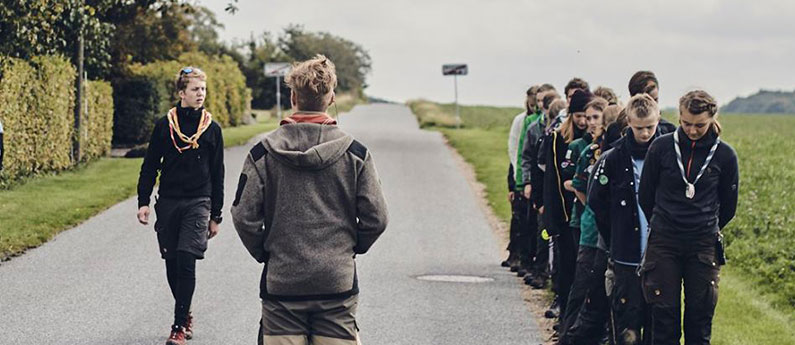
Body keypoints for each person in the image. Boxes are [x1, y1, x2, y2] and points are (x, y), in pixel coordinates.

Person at [231, 55, 389, 345]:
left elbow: (243, 216)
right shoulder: (356, 154)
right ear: (331, 98)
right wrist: (351, 247)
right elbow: (376, 218)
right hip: (336, 282)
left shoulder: (262, 154)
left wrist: (265, 251)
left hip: (283, 282)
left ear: (293, 97)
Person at [638, 90, 739, 345]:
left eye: (700, 125)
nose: (692, 130)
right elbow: (646, 196)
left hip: (703, 244)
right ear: (679, 117)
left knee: (700, 318)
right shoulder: (661, 148)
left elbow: (728, 206)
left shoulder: (725, 156)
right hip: (664, 242)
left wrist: (704, 224)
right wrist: (665, 222)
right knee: (663, 316)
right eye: (686, 124)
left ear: (712, 118)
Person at [136, 66, 225, 345]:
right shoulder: (165, 126)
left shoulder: (211, 129)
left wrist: (216, 215)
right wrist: (143, 202)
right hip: (169, 202)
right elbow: (150, 166)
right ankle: (185, 312)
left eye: (203, 90)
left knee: (187, 260)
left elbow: (218, 174)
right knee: (172, 263)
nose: (201, 95)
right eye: (195, 90)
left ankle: (177, 327)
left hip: (198, 202)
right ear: (181, 93)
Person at [590, 94, 664, 344]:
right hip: (626, 254)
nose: (645, 134)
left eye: (650, 128)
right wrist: (614, 235)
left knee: (659, 323)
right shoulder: (613, 158)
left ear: (659, 120)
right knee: (627, 325)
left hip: (660, 255)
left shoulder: (667, 155)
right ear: (628, 124)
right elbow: (596, 201)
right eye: (639, 128)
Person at [558, 101, 620, 345]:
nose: (592, 123)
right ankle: (567, 336)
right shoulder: (591, 151)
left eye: (597, 118)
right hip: (591, 230)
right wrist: (595, 209)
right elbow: (578, 186)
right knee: (584, 288)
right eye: (590, 118)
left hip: (611, 236)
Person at [543, 89, 591, 329]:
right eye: (579, 116)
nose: (583, 121)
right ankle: (562, 310)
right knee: (565, 266)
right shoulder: (556, 140)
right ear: (571, 115)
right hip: (563, 214)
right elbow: (551, 182)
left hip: (583, 216)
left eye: (587, 116)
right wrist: (550, 218)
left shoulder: (591, 142)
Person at [521, 91, 563, 288]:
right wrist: (529, 187)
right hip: (544, 195)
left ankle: (546, 270)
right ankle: (540, 268)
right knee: (543, 233)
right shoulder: (536, 132)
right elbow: (534, 165)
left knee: (550, 235)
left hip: (553, 197)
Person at [504, 85, 540, 273]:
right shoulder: (521, 120)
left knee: (525, 218)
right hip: (518, 168)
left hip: (526, 172)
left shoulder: (535, 121)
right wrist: (516, 179)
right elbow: (515, 148)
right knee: (517, 215)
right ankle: (514, 252)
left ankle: (523, 255)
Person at [605, 71, 674, 146]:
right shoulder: (615, 129)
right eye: (646, 101)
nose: (652, 105)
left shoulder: (669, 130)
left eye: (656, 100)